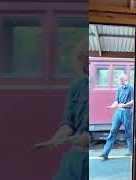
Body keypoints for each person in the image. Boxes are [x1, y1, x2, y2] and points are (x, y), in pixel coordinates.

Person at [48, 40, 90, 180]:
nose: (84, 68)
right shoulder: (76, 86)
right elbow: (68, 123)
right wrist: (58, 136)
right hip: (75, 156)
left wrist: (89, 137)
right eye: (82, 63)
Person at [100, 74, 134, 160]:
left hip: (127, 112)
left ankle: (130, 151)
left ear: (124, 80)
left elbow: (134, 100)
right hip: (118, 112)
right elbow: (116, 100)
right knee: (112, 131)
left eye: (120, 80)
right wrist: (113, 105)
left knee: (128, 132)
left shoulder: (131, 88)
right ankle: (105, 152)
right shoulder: (119, 89)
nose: (119, 82)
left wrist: (125, 105)